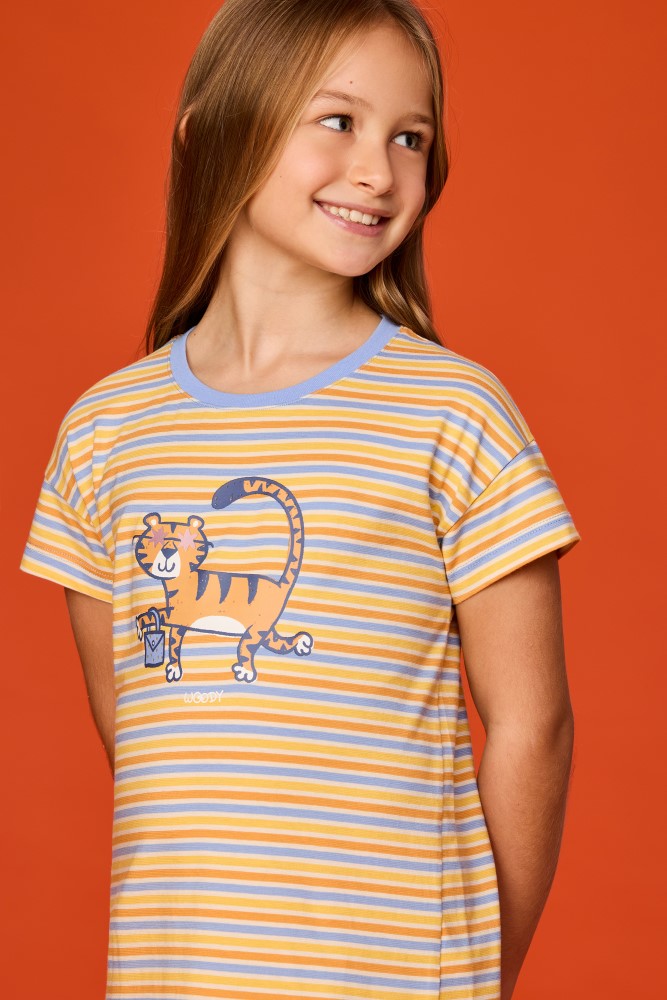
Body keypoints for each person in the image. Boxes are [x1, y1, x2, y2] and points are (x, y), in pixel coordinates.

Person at [20, 1, 581, 997]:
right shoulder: (104, 432)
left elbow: (533, 727)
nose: (378, 171)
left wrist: (481, 974)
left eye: (410, 138)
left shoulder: (454, 414)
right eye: (338, 120)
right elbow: (148, 740)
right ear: (211, 132)